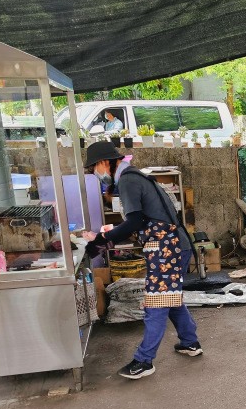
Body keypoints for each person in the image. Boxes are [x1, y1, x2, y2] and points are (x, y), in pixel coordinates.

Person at [82, 142, 202, 379]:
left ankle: (144, 361)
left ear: (105, 162)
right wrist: (111, 233)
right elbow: (141, 220)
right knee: (169, 296)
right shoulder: (136, 176)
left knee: (157, 302)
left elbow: (135, 221)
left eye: (94, 167)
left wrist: (102, 238)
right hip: (175, 245)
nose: (95, 172)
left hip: (168, 249)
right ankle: (190, 342)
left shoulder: (127, 179)